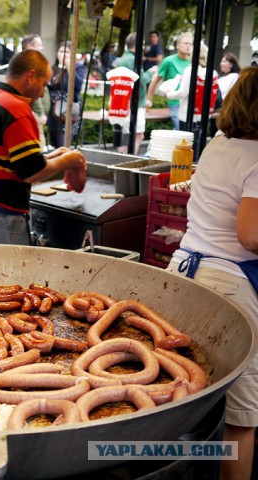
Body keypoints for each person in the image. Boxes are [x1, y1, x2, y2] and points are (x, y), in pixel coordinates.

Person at [166, 67, 258, 480]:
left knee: (180, 395)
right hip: (229, 288)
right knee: (242, 417)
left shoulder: (220, 145)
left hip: (185, 276)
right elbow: (252, 236)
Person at [0, 49, 87, 245]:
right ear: (31, 76)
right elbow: (31, 171)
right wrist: (67, 160)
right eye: (43, 84)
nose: (43, 92)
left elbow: (11, 161)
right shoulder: (16, 109)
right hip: (4, 218)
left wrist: (53, 156)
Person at [115, 32, 154, 155]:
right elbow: (141, 80)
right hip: (133, 103)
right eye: (142, 44)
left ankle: (124, 158)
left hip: (124, 101)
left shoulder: (124, 58)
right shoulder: (133, 60)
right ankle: (129, 159)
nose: (144, 47)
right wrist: (150, 73)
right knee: (137, 134)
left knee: (127, 133)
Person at [164, 44, 218, 132]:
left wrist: (168, 95)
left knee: (186, 143)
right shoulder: (212, 72)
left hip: (188, 115)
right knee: (198, 142)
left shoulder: (191, 70)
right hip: (204, 114)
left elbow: (183, 93)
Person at [146, 32, 193, 130]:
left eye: (190, 44)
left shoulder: (192, 61)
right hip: (175, 102)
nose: (188, 46)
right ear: (177, 45)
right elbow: (155, 80)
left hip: (189, 103)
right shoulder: (169, 61)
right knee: (180, 131)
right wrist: (149, 100)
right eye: (185, 43)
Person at [47, 41, 86, 149]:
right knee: (55, 142)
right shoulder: (53, 68)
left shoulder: (78, 67)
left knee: (63, 143)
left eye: (67, 52)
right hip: (53, 111)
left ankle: (64, 164)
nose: (63, 54)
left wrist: (69, 66)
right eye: (61, 51)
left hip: (68, 109)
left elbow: (77, 85)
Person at [22, 33, 51, 149]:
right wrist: (40, 113)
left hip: (34, 114)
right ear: (30, 46)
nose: (42, 48)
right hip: (34, 115)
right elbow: (33, 89)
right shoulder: (29, 63)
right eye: (39, 45)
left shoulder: (28, 62)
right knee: (38, 147)